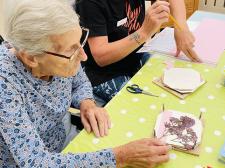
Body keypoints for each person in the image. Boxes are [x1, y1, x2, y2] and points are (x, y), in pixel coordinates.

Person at [0, 0, 170, 167]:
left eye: (80, 42)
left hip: (65, 140)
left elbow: (80, 82)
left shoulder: (58, 55)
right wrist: (120, 157)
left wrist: (87, 102)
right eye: (71, 50)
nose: (83, 57)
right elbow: (36, 162)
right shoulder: (5, 85)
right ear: (31, 58)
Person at [76, 0, 200, 105]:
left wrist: (181, 27)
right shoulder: (90, 3)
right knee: (150, 104)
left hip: (135, 57)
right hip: (103, 74)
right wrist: (144, 32)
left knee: (177, 83)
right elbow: (101, 57)